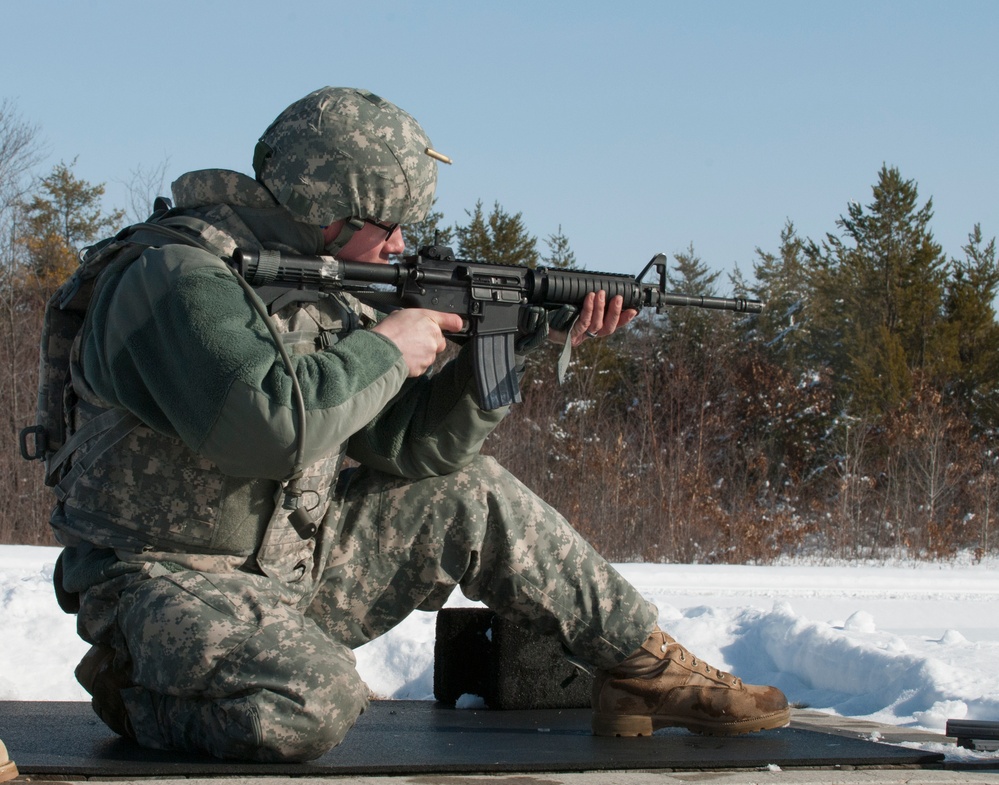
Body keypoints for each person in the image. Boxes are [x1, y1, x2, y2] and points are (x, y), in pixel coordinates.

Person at [48, 87, 789, 762]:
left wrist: (509, 344)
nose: (401, 244)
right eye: (389, 224)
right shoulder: (176, 278)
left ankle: (639, 667)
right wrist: (385, 347)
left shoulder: (318, 284)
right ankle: (139, 690)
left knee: (466, 487)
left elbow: (409, 447)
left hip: (284, 571)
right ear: (326, 210)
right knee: (314, 701)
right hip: (159, 585)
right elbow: (270, 424)